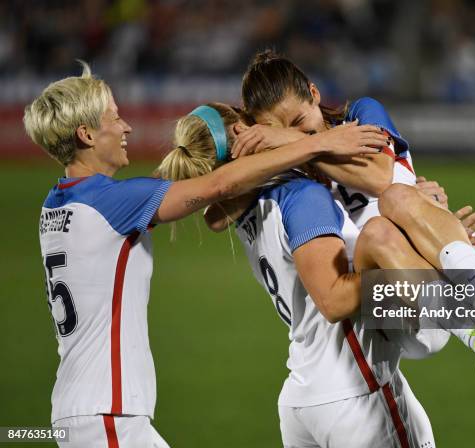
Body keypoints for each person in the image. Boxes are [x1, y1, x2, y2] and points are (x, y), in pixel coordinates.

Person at [24, 62, 385, 448]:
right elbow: (220, 186)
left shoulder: (57, 203)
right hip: (352, 391)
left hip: (82, 410)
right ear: (86, 133)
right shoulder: (304, 196)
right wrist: (435, 280)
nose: (127, 126)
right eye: (115, 117)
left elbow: (216, 203)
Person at [156, 103, 475, 447]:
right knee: (380, 236)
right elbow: (334, 298)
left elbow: (214, 214)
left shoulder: (239, 210)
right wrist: (421, 256)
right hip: (356, 392)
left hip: (302, 394)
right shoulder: (300, 195)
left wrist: (427, 235)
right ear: (243, 131)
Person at [235, 50, 475, 378]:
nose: (295, 136)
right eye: (279, 133)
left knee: (395, 196)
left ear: (315, 93)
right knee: (377, 231)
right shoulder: (295, 184)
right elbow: (216, 215)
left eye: (299, 123)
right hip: (401, 310)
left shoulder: (361, 115)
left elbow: (378, 178)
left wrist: (292, 142)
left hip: (459, 271)